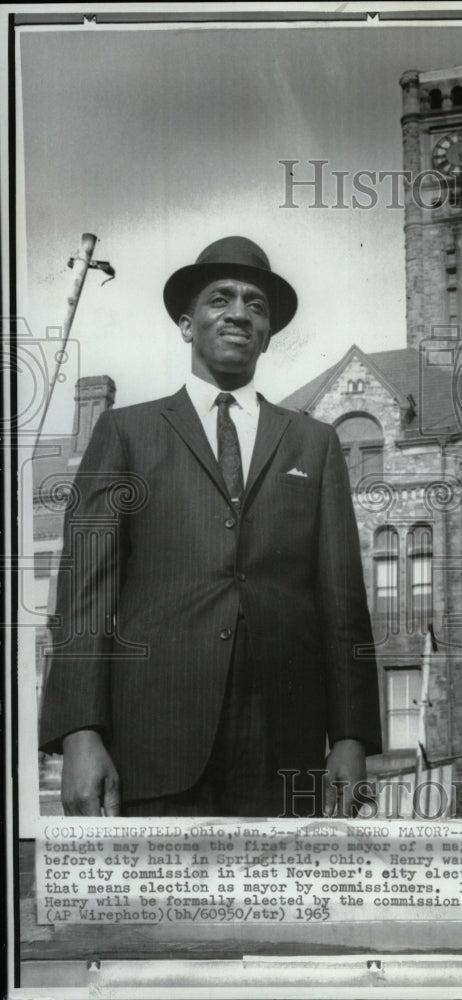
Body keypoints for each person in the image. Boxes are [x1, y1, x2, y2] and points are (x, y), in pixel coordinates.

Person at [39, 236, 381, 818]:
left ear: (268, 332)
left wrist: (350, 739)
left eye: (256, 304)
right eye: (220, 299)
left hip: (283, 749)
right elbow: (85, 596)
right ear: (186, 323)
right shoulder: (126, 433)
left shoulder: (314, 442)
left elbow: (342, 600)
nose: (240, 313)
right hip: (152, 745)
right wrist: (79, 734)